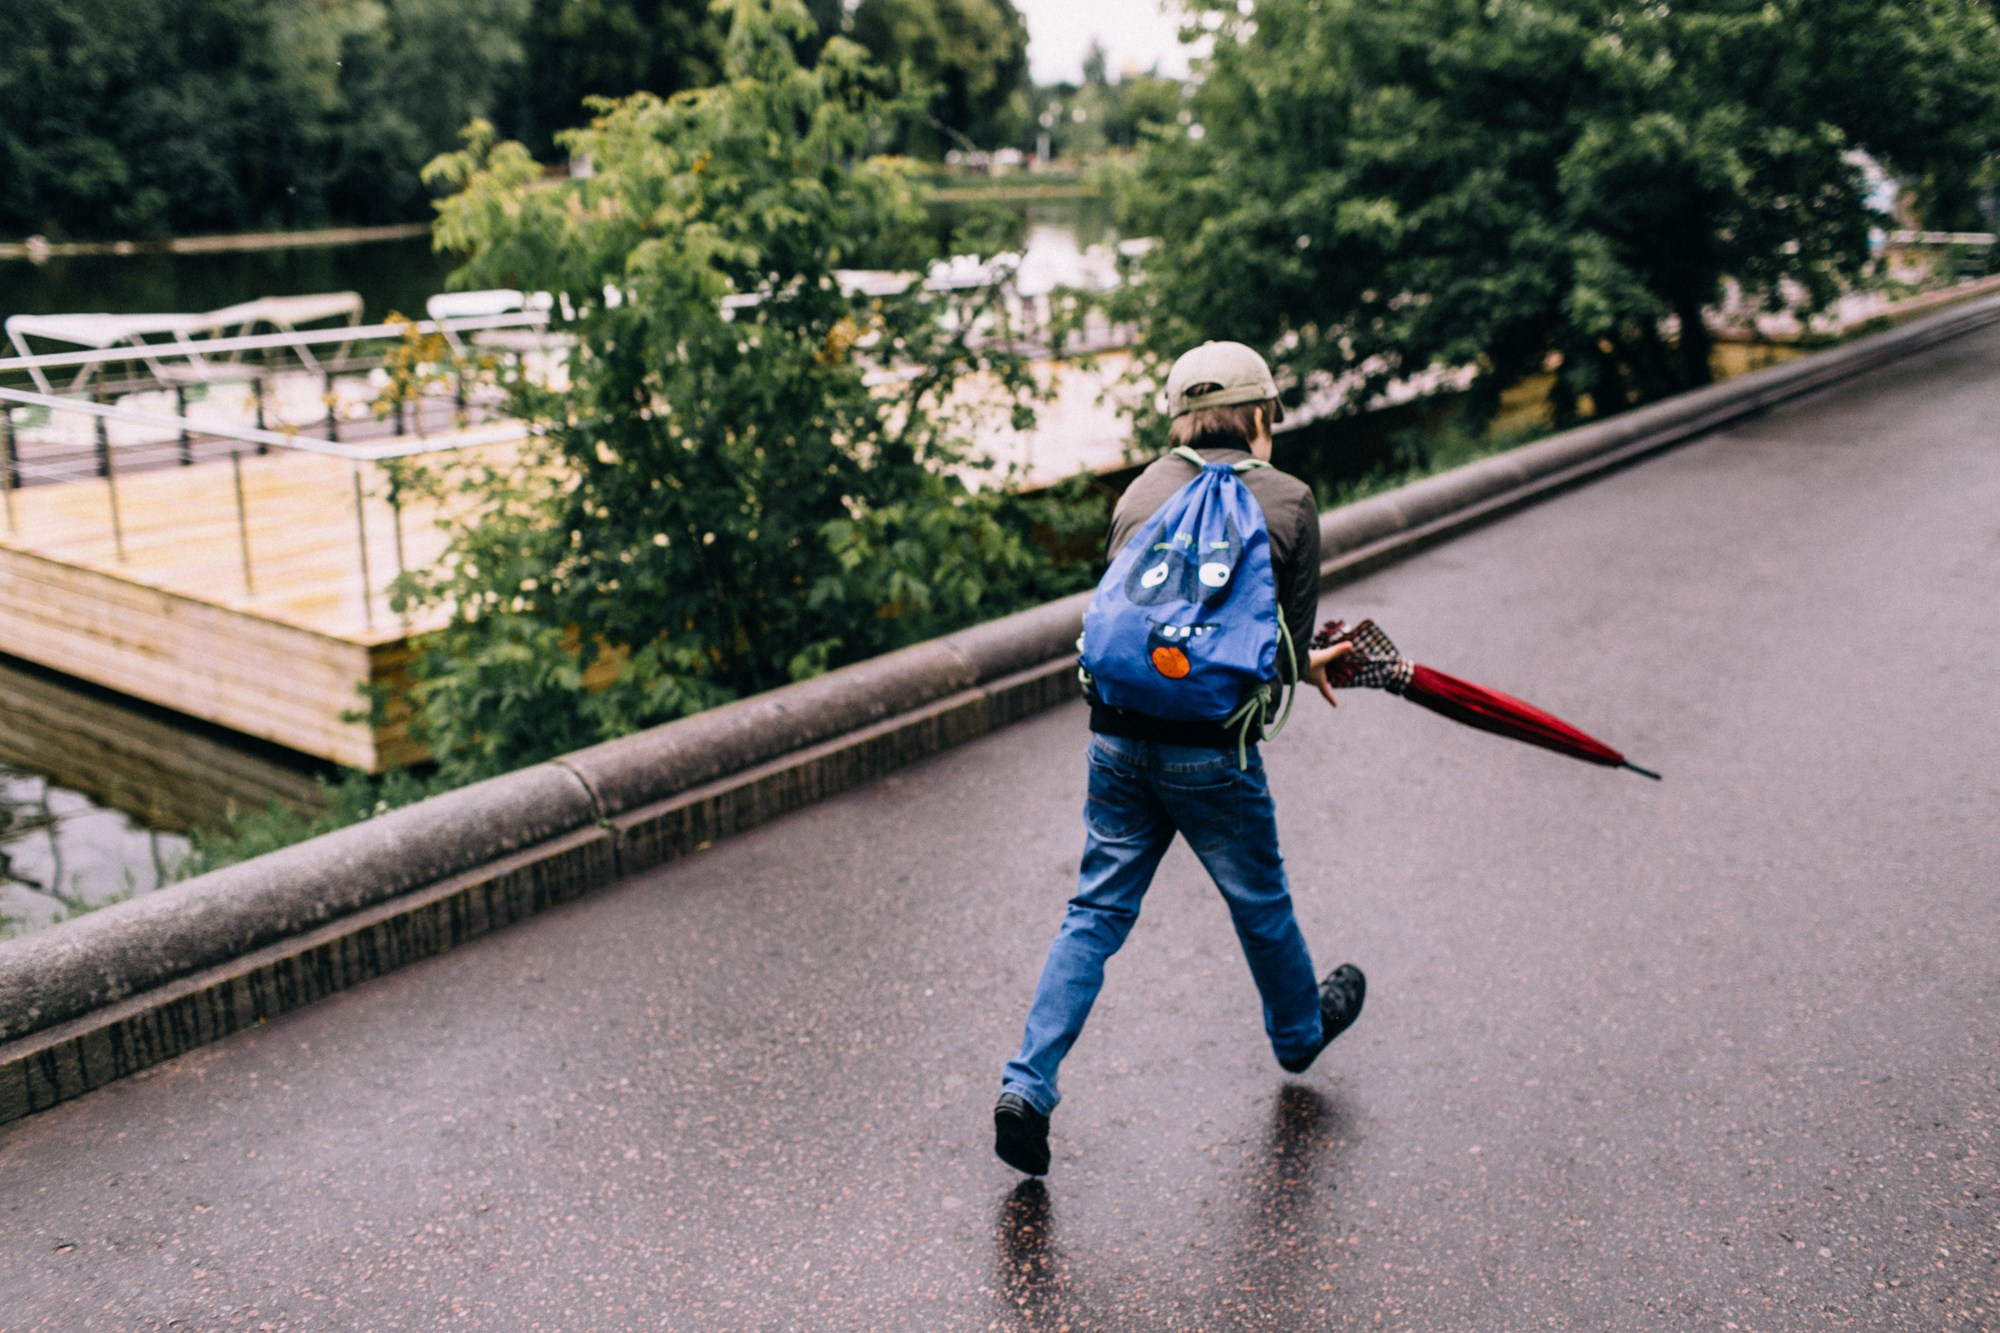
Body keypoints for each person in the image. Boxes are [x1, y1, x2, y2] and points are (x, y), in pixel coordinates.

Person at [993, 340, 1366, 1177]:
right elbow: (1280, 646)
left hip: (1117, 740)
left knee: (1093, 912)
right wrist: (1306, 659)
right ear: (1262, 417)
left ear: (1180, 422)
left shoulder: (1139, 493)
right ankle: (1300, 1032)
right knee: (1257, 898)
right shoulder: (1291, 501)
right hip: (1211, 755)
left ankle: (1027, 1084)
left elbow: (1142, 616)